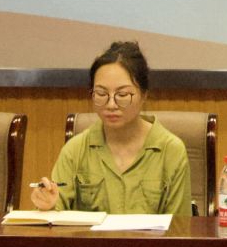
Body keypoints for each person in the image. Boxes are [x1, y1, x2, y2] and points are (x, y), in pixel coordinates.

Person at [28, 41, 190, 216]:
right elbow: (55, 217)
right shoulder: (75, 150)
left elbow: (181, 226)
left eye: (122, 95)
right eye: (101, 94)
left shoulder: (171, 150)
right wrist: (47, 205)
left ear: (144, 94)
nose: (111, 104)